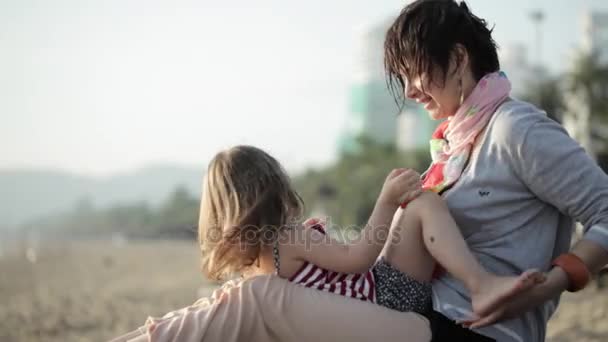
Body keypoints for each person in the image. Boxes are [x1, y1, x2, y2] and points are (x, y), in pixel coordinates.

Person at [112, 1, 608, 341]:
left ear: (458, 59)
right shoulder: (454, 148)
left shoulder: (514, 129)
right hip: (420, 315)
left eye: (412, 72)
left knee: (261, 299)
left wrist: (559, 279)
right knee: (252, 304)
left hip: (466, 329)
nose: (410, 92)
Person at [199, 146, 543, 317]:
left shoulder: (254, 267)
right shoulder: (288, 237)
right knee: (423, 205)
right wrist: (387, 201)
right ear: (275, 189)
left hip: (366, 306)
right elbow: (358, 259)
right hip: (385, 299)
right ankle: (479, 284)